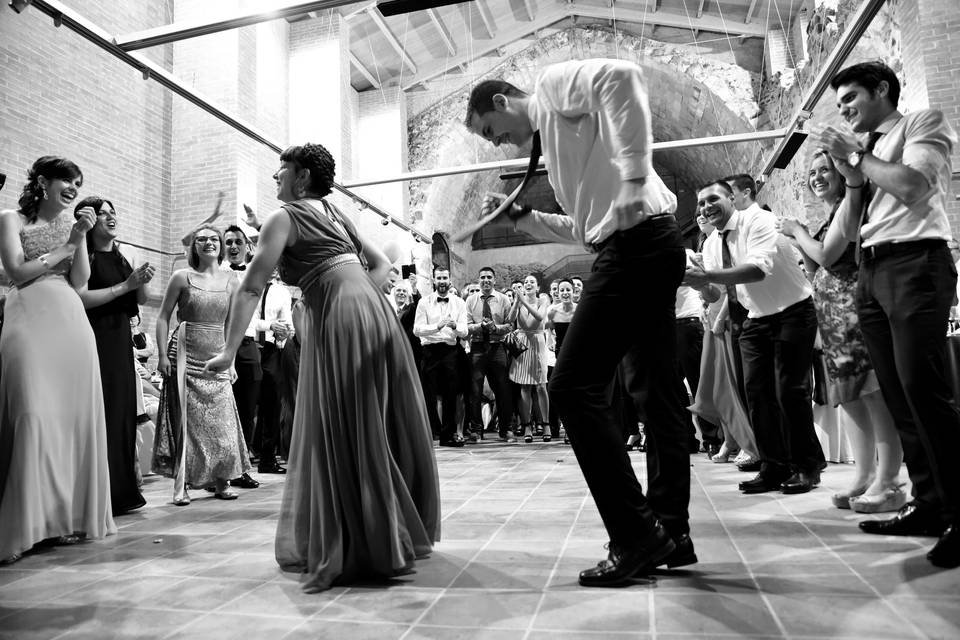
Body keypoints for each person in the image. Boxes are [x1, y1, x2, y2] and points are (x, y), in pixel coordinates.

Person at [465, 58, 693, 587]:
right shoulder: (559, 139)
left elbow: (622, 78)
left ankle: (637, 534)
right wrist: (527, 221)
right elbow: (589, 227)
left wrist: (636, 175)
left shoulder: (549, 89)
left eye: (490, 132)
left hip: (636, 247)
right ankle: (671, 531)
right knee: (656, 394)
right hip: (647, 244)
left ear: (501, 102)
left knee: (571, 385)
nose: (497, 144)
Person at [203, 142, 440, 592]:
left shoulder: (285, 217)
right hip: (375, 312)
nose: (277, 178)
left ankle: (367, 542)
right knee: (374, 420)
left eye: (283, 169)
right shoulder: (337, 213)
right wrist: (354, 298)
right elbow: (383, 264)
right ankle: (387, 530)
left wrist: (228, 350)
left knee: (347, 424)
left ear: (303, 175)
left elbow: (251, 287)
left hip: (345, 317)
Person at [812, 61, 960, 568]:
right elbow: (850, 230)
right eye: (840, 103)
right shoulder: (866, 153)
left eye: (851, 97)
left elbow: (915, 186)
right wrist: (852, 179)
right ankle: (929, 503)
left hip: (916, 261)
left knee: (924, 387)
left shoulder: (922, 122)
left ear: (881, 90)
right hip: (871, 270)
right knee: (897, 393)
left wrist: (855, 152)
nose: (845, 109)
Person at [0, 156, 116, 563]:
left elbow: (80, 281)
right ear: (43, 182)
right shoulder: (10, 218)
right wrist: (67, 244)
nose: (72, 187)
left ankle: (60, 518)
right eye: (66, 180)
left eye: (77, 182)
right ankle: (25, 523)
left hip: (70, 323)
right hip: (27, 319)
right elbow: (15, 270)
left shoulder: (74, 227)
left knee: (70, 421)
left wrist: (79, 237)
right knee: (31, 415)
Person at [779, 150, 904, 513]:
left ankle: (889, 477)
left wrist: (796, 230)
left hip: (854, 310)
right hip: (832, 316)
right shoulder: (830, 214)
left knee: (872, 392)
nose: (817, 177)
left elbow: (827, 255)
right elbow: (814, 265)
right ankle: (864, 474)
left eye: (824, 170)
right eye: (812, 172)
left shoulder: (850, 206)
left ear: (843, 173)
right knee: (849, 395)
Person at [685, 180, 824, 495]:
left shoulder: (756, 219)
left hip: (794, 311)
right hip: (756, 318)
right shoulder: (709, 245)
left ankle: (806, 466)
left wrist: (706, 276)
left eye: (712, 199)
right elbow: (713, 291)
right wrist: (696, 282)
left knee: (791, 390)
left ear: (731, 197)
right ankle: (773, 466)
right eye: (701, 204)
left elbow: (756, 270)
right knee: (757, 395)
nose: (705, 208)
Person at [153, 226, 251, 505]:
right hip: (184, 353)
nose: (209, 243)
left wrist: (230, 358)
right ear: (193, 246)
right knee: (186, 424)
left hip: (217, 356)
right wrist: (162, 355)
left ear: (220, 246)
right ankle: (182, 483)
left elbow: (232, 323)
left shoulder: (232, 280)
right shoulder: (181, 277)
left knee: (223, 424)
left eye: (213, 239)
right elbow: (162, 318)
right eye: (202, 239)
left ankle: (223, 480)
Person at [77, 196, 154, 515]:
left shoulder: (123, 254)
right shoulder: (87, 256)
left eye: (113, 212)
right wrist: (126, 285)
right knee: (104, 411)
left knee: (122, 411)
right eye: (102, 213)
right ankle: (100, 492)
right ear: (89, 222)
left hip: (121, 337)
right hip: (96, 337)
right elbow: (81, 299)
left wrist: (141, 281)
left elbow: (141, 299)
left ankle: (122, 490)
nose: (110, 217)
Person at [415, 266, 468, 446]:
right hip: (430, 351)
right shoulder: (424, 302)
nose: (442, 281)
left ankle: (448, 436)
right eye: (439, 278)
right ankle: (429, 435)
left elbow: (465, 332)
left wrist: (454, 326)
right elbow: (417, 330)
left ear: (449, 280)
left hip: (450, 351)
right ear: (434, 280)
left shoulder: (459, 303)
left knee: (450, 395)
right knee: (429, 395)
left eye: (445, 278)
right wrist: (437, 326)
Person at [464, 267, 517, 442]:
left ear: (494, 280)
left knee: (503, 390)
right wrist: (480, 326)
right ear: (479, 280)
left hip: (497, 348)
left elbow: (510, 325)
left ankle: (506, 429)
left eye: (489, 277)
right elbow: (467, 325)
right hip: (478, 347)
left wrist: (496, 328)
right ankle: (476, 431)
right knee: (475, 391)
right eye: (483, 277)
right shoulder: (471, 300)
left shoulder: (502, 299)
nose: (486, 280)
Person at [509, 274, 551, 442]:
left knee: (541, 385)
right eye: (525, 282)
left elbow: (540, 317)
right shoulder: (518, 300)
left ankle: (545, 423)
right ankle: (527, 425)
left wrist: (523, 301)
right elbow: (511, 319)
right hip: (522, 343)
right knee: (525, 387)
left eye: (531, 282)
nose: (528, 284)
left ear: (537, 286)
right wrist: (517, 302)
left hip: (538, 341)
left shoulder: (542, 300)